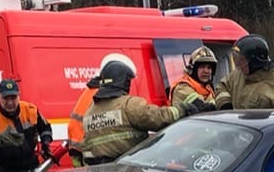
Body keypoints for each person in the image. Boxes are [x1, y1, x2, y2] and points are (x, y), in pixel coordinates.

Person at [79, 55, 209, 162]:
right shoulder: (128, 104)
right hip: (127, 170)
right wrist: (182, 109)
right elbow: (157, 118)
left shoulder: (90, 111)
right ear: (123, 81)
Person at [230, 34, 274, 110]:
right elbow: (222, 86)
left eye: (242, 61)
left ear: (254, 62)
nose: (238, 66)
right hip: (237, 122)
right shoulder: (238, 76)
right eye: (236, 60)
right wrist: (225, 104)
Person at [170, 45, 229, 111]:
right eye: (202, 67)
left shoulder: (208, 89)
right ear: (194, 69)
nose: (206, 71)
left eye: (209, 68)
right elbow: (203, 108)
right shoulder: (182, 88)